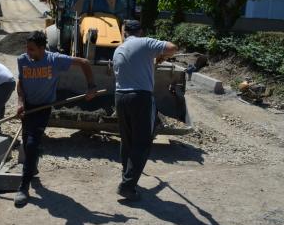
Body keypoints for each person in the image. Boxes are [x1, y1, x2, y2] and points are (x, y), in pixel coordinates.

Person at [15, 31, 97, 207]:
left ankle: (23, 187)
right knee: (28, 144)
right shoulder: (23, 60)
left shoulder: (54, 60)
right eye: (27, 49)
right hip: (28, 108)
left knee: (30, 144)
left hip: (43, 108)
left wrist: (91, 86)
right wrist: (20, 102)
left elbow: (84, 62)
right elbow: (20, 82)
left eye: (32, 49)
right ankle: (33, 164)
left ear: (43, 48)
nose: (28, 53)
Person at [113, 20, 178, 201]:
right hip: (140, 98)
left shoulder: (119, 49)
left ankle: (127, 176)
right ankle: (127, 186)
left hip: (120, 97)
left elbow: (135, 66)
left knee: (127, 141)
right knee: (142, 143)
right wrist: (162, 54)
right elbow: (172, 47)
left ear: (124, 32)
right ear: (140, 31)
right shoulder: (145, 42)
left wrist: (155, 58)